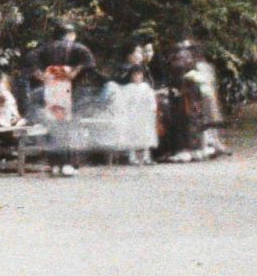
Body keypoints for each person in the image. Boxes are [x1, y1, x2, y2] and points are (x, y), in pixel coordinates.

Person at [21, 23, 95, 176]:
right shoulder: (76, 47)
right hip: (70, 90)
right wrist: (76, 71)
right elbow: (90, 62)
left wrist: (39, 74)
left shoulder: (45, 47)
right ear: (70, 34)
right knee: (70, 127)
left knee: (54, 127)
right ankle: (69, 164)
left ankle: (54, 164)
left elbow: (29, 58)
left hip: (50, 89)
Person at [113, 65, 159, 165]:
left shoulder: (146, 88)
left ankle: (146, 157)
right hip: (132, 116)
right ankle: (132, 157)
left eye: (139, 74)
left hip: (144, 115)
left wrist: (151, 110)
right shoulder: (127, 88)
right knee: (132, 137)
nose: (137, 76)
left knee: (146, 137)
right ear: (131, 76)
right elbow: (123, 103)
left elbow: (152, 102)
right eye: (135, 74)